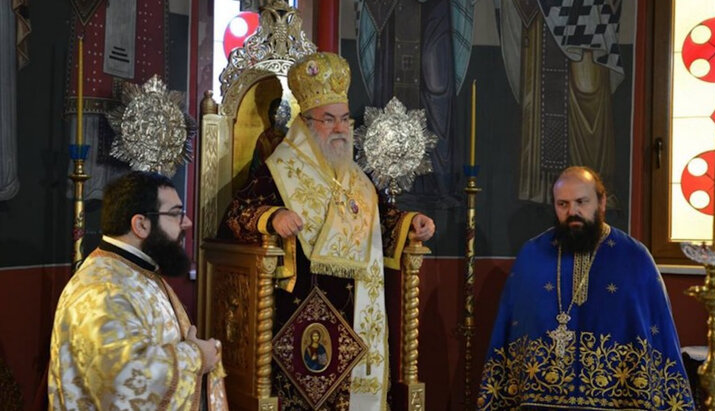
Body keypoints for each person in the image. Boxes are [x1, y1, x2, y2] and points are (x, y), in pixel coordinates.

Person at [218, 51, 435, 409]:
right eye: (329, 119)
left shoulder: (358, 178)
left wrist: (411, 222)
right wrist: (271, 217)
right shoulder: (278, 171)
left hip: (360, 307)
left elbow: (380, 218)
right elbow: (235, 214)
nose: (340, 128)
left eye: (345, 119)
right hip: (301, 310)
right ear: (305, 123)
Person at [476, 166, 694, 410]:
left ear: (601, 203)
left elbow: (657, 331)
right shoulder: (533, 255)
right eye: (563, 204)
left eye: (582, 202)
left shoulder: (634, 257)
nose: (573, 212)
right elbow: (510, 331)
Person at [49, 171, 228, 410]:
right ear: (141, 224)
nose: (187, 222)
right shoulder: (103, 291)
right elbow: (124, 379)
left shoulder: (135, 271)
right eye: (176, 213)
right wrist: (196, 355)